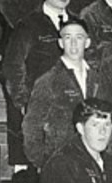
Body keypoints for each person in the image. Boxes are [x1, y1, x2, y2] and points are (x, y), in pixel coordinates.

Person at [0, 0, 69, 183]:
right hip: (23, 33)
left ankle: (53, 160)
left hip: (54, 31)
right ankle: (20, 164)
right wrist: (28, 28)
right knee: (21, 95)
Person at [23, 18, 99, 169]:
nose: (73, 43)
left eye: (79, 37)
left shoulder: (98, 78)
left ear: (87, 42)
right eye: (68, 38)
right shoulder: (48, 80)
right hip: (60, 163)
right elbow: (31, 127)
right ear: (60, 43)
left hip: (92, 161)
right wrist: (43, 164)